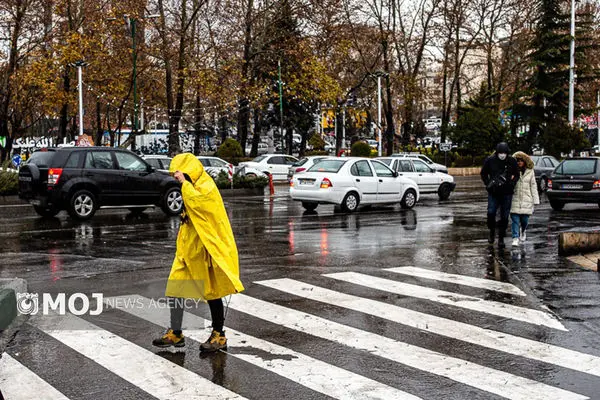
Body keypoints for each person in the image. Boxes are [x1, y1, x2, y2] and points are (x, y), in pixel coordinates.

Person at [153, 153, 244, 352]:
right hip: (187, 246)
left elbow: (198, 204)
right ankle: (175, 333)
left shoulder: (206, 187)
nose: (176, 178)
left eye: (180, 173)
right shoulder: (190, 186)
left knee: (212, 291)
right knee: (175, 287)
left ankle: (218, 335)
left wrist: (184, 183)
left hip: (205, 247)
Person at [481, 142, 519, 246]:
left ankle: (501, 237)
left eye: (504, 153)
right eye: (500, 153)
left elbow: (517, 174)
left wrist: (511, 184)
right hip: (493, 192)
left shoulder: (512, 161)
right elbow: (483, 173)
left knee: (505, 216)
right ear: (497, 153)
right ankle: (492, 231)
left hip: (507, 193)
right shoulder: (490, 160)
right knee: (491, 212)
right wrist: (488, 183)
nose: (502, 155)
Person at [509, 152, 540, 246]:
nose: (519, 162)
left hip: (527, 200)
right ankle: (515, 238)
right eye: (517, 161)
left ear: (525, 161)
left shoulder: (530, 171)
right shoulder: (511, 171)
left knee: (524, 221)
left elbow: (533, 186)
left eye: (521, 160)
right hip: (514, 199)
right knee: (515, 220)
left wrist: (535, 200)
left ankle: (523, 231)